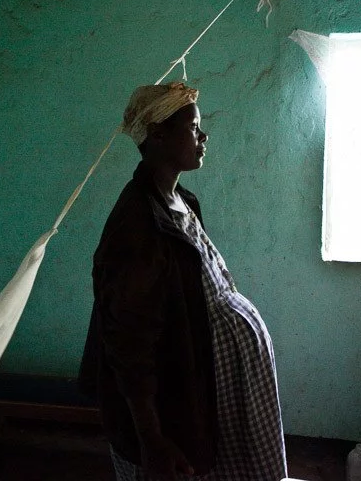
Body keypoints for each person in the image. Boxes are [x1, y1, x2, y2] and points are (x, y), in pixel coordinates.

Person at [79, 81, 287, 481]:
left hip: (215, 377)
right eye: (193, 128)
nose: (203, 136)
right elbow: (130, 344)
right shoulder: (137, 226)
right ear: (158, 135)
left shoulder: (181, 201)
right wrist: (152, 439)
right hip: (185, 384)